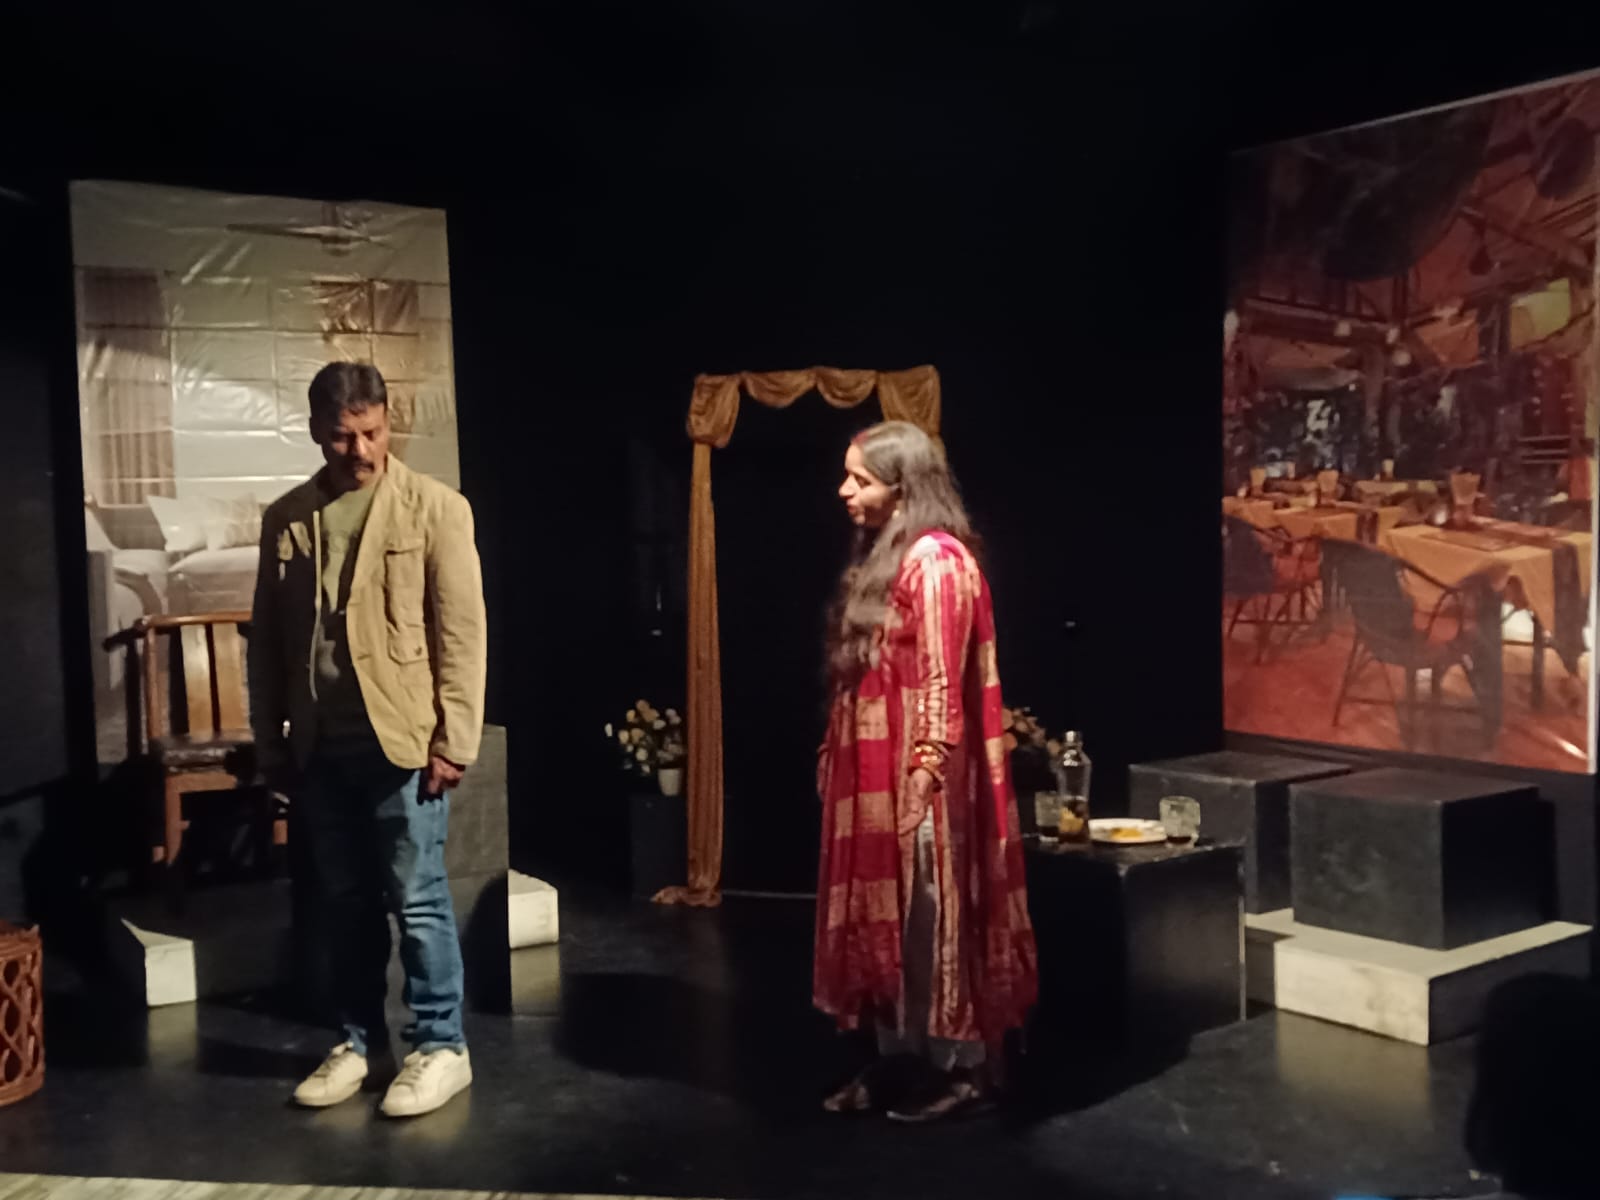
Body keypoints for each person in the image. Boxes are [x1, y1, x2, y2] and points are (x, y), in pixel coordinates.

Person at [248, 362, 487, 1118]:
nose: (360, 450)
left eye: (373, 433)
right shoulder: (287, 518)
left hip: (404, 744)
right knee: (344, 905)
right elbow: (266, 645)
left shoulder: (436, 509)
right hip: (321, 748)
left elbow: (462, 634)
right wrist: (270, 743)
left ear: (388, 423)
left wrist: (454, 739)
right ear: (317, 432)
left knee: (417, 900)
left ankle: (441, 1046)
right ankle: (360, 1042)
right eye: (343, 437)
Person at [813, 420, 1038, 1122]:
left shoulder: (936, 560)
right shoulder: (887, 553)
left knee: (932, 911)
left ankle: (962, 1066)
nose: (844, 490)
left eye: (860, 479)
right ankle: (901, 1054)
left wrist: (925, 770)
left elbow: (941, 674)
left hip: (920, 774)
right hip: (875, 767)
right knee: (894, 915)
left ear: (903, 486)